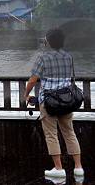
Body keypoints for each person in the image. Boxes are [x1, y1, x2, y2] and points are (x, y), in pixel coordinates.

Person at [25, 28, 84, 178]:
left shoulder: (42, 57)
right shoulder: (68, 57)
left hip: (49, 101)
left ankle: (58, 169)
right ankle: (78, 168)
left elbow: (32, 80)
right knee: (70, 133)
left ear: (48, 42)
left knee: (51, 135)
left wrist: (26, 94)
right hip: (66, 100)